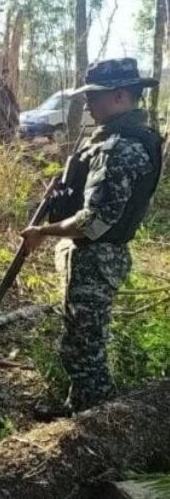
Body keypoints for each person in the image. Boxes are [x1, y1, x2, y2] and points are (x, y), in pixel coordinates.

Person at [21, 58, 163, 417]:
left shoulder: (120, 148)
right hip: (94, 257)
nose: (87, 104)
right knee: (82, 340)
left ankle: (94, 422)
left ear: (118, 96)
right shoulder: (115, 139)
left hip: (96, 258)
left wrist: (43, 232)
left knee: (86, 347)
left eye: (94, 97)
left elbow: (94, 221)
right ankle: (79, 408)